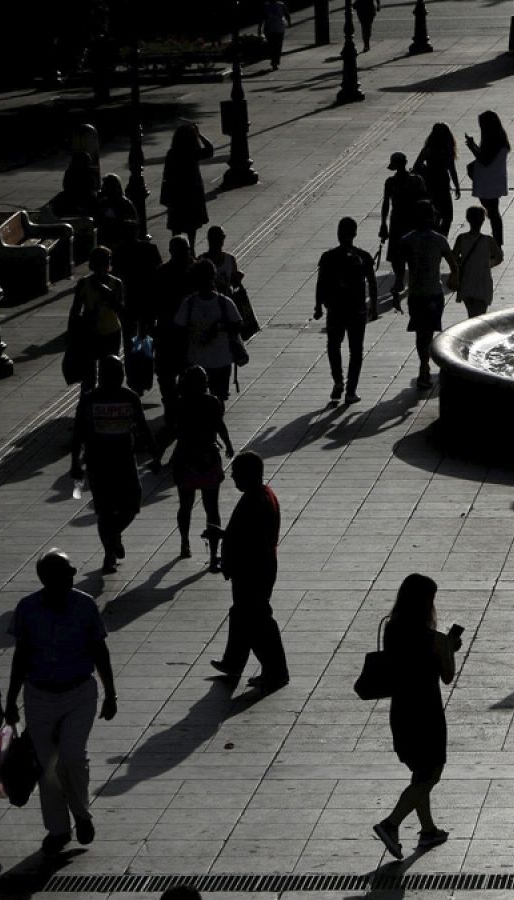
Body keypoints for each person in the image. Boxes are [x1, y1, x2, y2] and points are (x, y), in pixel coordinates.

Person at [3, 550, 118, 857]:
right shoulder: (28, 609)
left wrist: (110, 693)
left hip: (79, 692)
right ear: (48, 579)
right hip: (39, 695)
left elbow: (99, 650)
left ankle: (81, 814)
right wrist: (12, 700)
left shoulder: (84, 605)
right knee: (47, 766)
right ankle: (58, 830)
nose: (74, 574)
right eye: (67, 571)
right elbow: (21, 657)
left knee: (72, 756)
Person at [371, 573, 458, 859]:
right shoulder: (435, 639)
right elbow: (447, 676)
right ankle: (391, 823)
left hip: (402, 710)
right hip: (427, 712)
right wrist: (449, 650)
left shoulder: (392, 627)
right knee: (431, 774)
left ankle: (429, 830)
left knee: (420, 773)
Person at [71, 356, 155, 574]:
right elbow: (78, 432)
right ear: (102, 376)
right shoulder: (90, 400)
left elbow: (143, 427)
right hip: (99, 463)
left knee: (132, 504)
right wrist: (75, 463)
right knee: (105, 511)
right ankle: (109, 553)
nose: (118, 378)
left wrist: (155, 452)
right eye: (113, 374)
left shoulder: (130, 397)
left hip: (124, 460)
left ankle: (113, 536)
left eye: (119, 373)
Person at [212, 452, 289, 691]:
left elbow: (250, 541)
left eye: (236, 473)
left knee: (257, 621)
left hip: (253, 570)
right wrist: (225, 536)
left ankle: (275, 672)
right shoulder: (260, 496)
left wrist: (227, 543)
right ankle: (233, 662)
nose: (232, 477)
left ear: (248, 475)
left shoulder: (257, 501)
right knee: (242, 615)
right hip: (256, 568)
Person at [154, 366, 234, 560]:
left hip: (185, 458)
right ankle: (214, 551)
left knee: (185, 505)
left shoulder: (178, 405)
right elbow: (219, 425)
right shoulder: (212, 402)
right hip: (207, 457)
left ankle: (184, 542)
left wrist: (157, 457)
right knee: (211, 507)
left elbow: (169, 433)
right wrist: (228, 444)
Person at [315, 217, 379, 404]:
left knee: (333, 346)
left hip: (335, 309)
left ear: (338, 233)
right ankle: (351, 390)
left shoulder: (328, 257)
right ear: (355, 233)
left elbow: (321, 283)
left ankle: (337, 381)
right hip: (357, 310)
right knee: (356, 350)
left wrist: (318, 306)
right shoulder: (364, 256)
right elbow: (373, 283)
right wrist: (373, 306)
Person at [400, 202, 456, 390]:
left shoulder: (407, 239)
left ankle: (423, 367)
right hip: (433, 293)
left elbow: (400, 269)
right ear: (433, 218)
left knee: (420, 333)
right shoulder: (439, 240)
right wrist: (454, 280)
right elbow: (453, 264)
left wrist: (395, 290)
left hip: (416, 293)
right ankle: (424, 368)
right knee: (429, 333)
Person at [174, 259, 243, 401]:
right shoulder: (193, 303)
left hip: (209, 362)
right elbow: (237, 325)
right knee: (218, 399)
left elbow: (179, 330)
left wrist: (218, 327)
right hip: (210, 361)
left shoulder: (195, 303)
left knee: (202, 399)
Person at [150, 236, 194, 429]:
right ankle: (174, 409)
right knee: (169, 376)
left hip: (181, 334)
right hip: (173, 333)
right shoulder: (165, 272)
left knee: (177, 376)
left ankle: (176, 410)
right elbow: (153, 303)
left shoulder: (190, 270)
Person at [70, 246, 127, 393]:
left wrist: (109, 296)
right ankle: (88, 401)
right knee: (89, 373)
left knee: (107, 369)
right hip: (92, 332)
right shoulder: (84, 283)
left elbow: (120, 309)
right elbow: (75, 311)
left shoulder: (116, 283)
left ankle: (102, 398)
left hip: (111, 331)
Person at [380, 152, 427, 299]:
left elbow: (386, 204)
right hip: (410, 220)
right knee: (405, 253)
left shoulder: (392, 182)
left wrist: (383, 223)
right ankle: (404, 280)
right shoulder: (415, 180)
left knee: (399, 254)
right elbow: (424, 200)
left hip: (401, 221)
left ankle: (402, 280)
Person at [160, 123, 215, 245]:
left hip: (176, 194)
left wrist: (166, 198)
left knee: (176, 226)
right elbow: (210, 150)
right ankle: (191, 248)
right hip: (192, 194)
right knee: (192, 226)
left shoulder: (172, 153)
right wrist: (200, 134)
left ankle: (176, 248)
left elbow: (166, 175)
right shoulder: (193, 152)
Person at [466, 111, 510, 243]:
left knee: (493, 213)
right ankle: (498, 241)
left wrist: (472, 148)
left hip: (488, 183)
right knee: (493, 213)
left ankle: (497, 242)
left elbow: (485, 160)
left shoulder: (494, 142)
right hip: (492, 181)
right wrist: (473, 145)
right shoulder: (499, 139)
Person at [451, 206, 503, 318]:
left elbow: (453, 258)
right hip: (482, 282)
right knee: (480, 316)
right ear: (483, 220)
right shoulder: (488, 240)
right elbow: (499, 257)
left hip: (467, 282)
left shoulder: (461, 238)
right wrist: (486, 264)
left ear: (468, 219)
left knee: (471, 314)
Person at [414, 124, 462, 235]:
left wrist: (426, 170)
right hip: (443, 184)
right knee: (448, 216)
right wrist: (457, 187)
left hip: (429, 184)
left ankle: (434, 235)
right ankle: (442, 237)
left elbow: (417, 165)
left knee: (434, 213)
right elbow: (452, 170)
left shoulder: (427, 149)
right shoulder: (447, 150)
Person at [93, 173, 138, 254]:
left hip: (119, 237)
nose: (102, 188)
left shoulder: (124, 203)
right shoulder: (103, 202)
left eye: (105, 186)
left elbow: (131, 223)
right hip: (106, 236)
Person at [202, 225, 243, 299]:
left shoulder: (230, 259)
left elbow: (234, 284)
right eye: (215, 238)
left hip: (225, 303)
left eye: (221, 238)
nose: (218, 241)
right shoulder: (201, 260)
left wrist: (237, 278)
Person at [259, 0, 290, 70]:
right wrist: (289, 22)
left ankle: (274, 61)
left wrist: (259, 28)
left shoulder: (266, 6)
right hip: (279, 28)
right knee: (278, 46)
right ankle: (275, 62)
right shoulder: (281, 5)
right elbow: (287, 14)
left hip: (269, 29)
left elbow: (262, 18)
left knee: (272, 46)